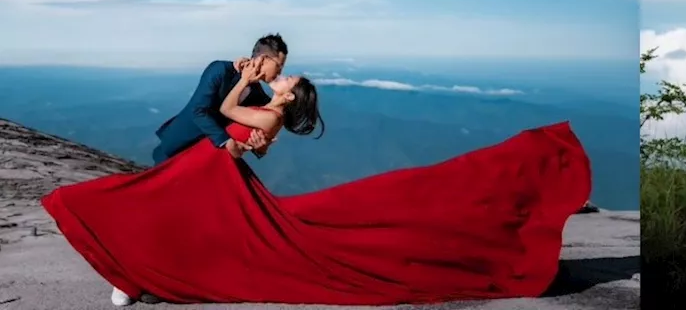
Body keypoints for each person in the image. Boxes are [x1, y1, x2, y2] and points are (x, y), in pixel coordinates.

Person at [40, 56, 591, 307]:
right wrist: (250, 78)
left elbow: (231, 105)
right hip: (206, 172)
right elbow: (230, 114)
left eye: (286, 80)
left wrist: (246, 79)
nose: (281, 77)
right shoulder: (269, 106)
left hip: (210, 175)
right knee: (154, 217)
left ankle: (132, 276)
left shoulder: (269, 110)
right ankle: (132, 276)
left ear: (287, 97)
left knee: (152, 217)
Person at [151, 33, 290, 166]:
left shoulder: (258, 95)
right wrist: (227, 142)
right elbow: (198, 111)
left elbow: (262, 128)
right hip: (179, 144)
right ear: (263, 58)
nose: (279, 73)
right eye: (278, 66)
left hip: (206, 158)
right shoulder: (220, 70)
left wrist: (261, 148)